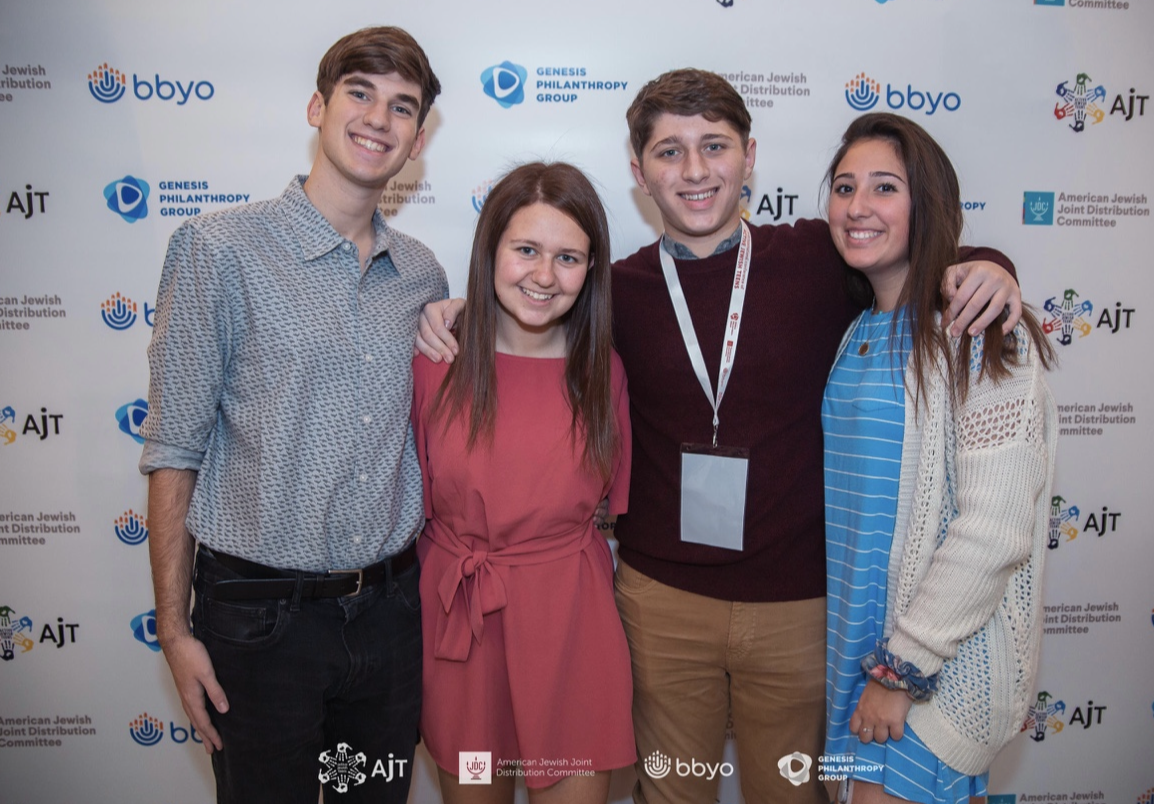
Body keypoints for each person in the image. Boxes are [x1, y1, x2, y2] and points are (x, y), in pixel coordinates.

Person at [416, 69, 1022, 804]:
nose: (695, 170)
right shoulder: (613, 294)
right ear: (639, 172)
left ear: (749, 156)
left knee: (788, 798)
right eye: (669, 152)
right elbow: (527, 312)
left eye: (714, 145)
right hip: (659, 602)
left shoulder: (819, 257)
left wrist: (990, 267)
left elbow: (914, 260)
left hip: (799, 606)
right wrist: (455, 311)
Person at [139, 26, 446, 804]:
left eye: (402, 106)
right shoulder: (218, 249)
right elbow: (173, 447)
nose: (378, 118)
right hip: (259, 624)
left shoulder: (421, 274)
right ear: (317, 106)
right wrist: (173, 630)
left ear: (417, 140)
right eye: (359, 93)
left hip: (389, 616)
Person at [820, 112, 1056, 804]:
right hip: (852, 661)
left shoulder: (979, 333)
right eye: (844, 187)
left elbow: (995, 529)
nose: (858, 206)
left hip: (927, 683)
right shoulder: (857, 332)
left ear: (927, 204)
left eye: (884, 187)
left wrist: (903, 670)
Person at [411, 162, 634, 804]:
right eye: (526, 250)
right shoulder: (434, 362)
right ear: (490, 251)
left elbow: (613, 503)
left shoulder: (605, 372)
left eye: (568, 257)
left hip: (571, 633)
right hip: (460, 634)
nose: (544, 276)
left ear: (591, 269)